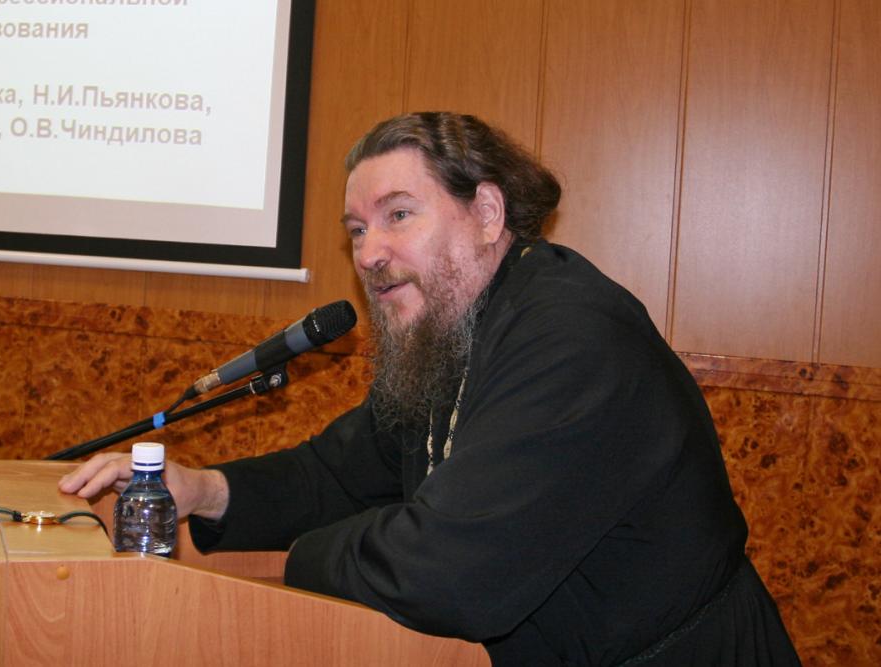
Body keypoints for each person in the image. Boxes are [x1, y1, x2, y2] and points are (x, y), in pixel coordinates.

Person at [60, 112, 800, 665]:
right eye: (357, 230)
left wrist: (287, 563)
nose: (369, 254)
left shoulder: (571, 338)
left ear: (487, 214)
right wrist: (205, 490)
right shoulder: (450, 330)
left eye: (398, 216)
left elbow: (450, 573)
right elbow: (335, 473)